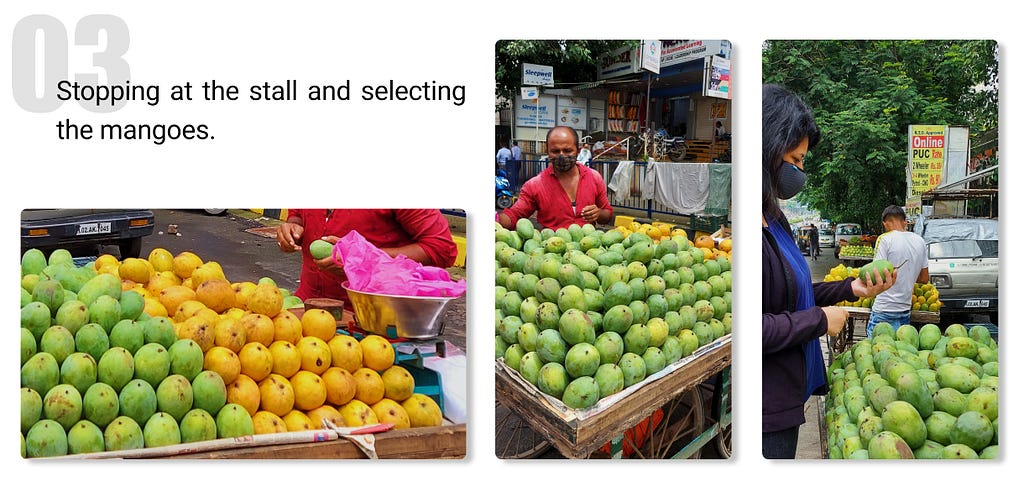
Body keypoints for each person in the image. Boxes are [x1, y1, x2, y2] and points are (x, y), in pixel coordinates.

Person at [761, 84, 895, 459]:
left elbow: (793, 291)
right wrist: (819, 321)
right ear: (768, 150)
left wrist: (852, 288)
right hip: (764, 407)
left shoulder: (775, 218)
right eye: (796, 159)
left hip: (790, 391)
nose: (800, 170)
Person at [276, 209, 458, 303]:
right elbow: (298, 214)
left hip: (371, 323)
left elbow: (441, 248)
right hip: (306, 310)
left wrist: (364, 260)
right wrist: (292, 228)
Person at [497, 126, 614, 231]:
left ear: (578, 151)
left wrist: (598, 213)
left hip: (587, 251)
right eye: (555, 151)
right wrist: (497, 221)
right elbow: (514, 214)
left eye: (567, 150)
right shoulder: (535, 185)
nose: (561, 155)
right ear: (548, 152)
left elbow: (607, 214)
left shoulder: (594, 178)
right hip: (552, 251)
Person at [867, 205, 929, 337]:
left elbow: (875, 276)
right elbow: (924, 278)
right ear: (905, 222)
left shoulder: (884, 239)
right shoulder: (920, 241)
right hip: (905, 311)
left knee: (876, 354)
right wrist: (908, 275)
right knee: (898, 355)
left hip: (883, 310)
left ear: (885, 223)